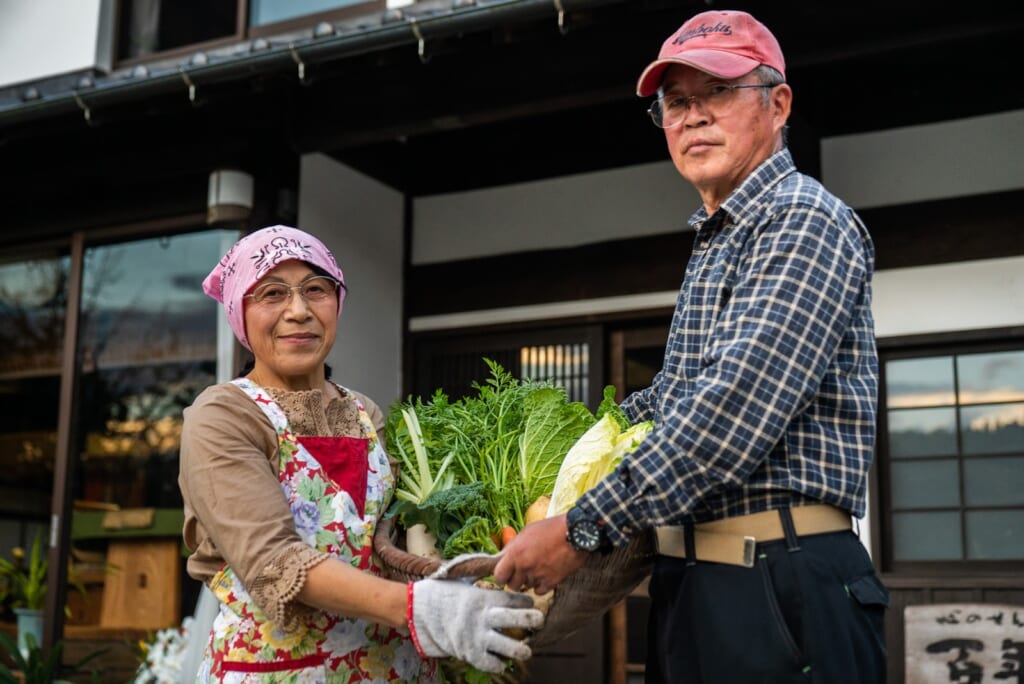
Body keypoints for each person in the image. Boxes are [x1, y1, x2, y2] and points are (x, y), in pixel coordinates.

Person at [495, 9, 888, 683]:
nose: (693, 117)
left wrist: (582, 525)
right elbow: (672, 400)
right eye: (677, 103)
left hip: (781, 582)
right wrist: (550, 472)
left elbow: (728, 415)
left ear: (778, 103)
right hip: (697, 585)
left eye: (719, 93)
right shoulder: (717, 240)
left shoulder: (802, 218)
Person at [180, 225, 543, 682]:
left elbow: (392, 540)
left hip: (397, 669)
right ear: (239, 313)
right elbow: (274, 561)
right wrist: (420, 608)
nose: (299, 311)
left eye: (316, 289)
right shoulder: (222, 416)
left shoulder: (364, 412)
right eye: (272, 293)